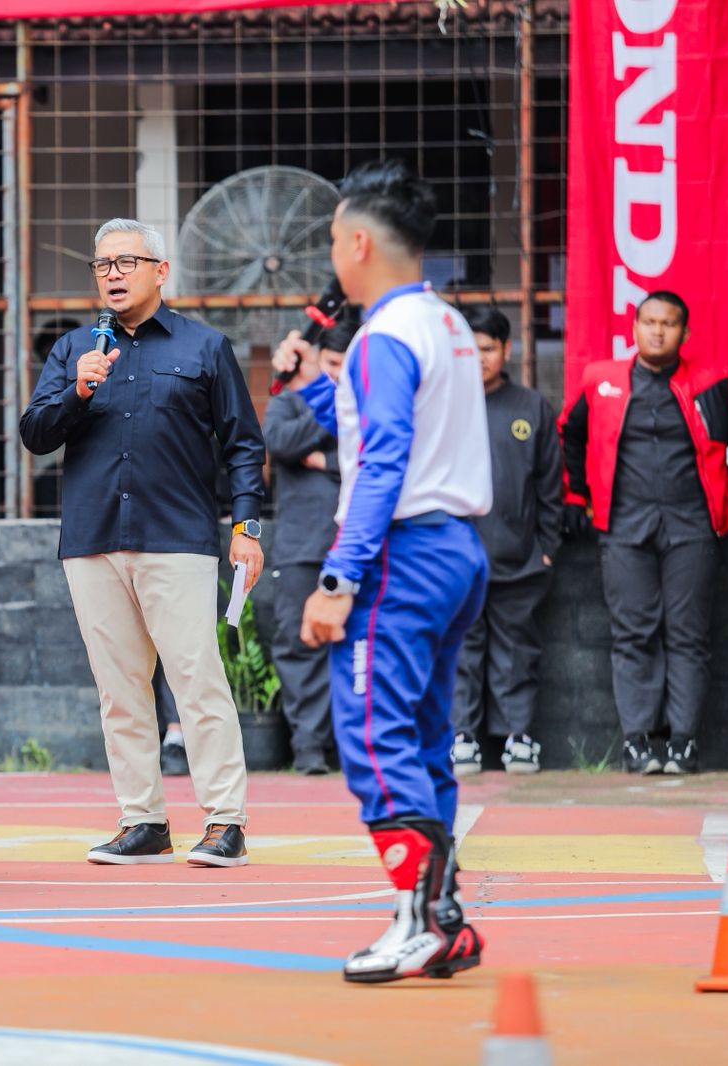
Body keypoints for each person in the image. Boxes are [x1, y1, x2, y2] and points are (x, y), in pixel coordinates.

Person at [274, 159, 491, 983]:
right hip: (455, 549)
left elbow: (384, 460)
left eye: (334, 239)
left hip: (400, 555)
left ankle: (418, 920)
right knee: (424, 736)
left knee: (373, 734)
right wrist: (312, 388)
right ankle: (443, 917)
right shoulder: (445, 325)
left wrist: (337, 580)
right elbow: (379, 428)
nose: (332, 255)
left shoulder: (384, 336)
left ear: (358, 243)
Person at [20, 218, 266, 869]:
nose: (113, 274)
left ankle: (225, 820)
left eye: (126, 262)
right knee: (120, 690)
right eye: (103, 265)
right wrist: (78, 389)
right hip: (93, 540)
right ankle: (143, 821)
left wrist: (247, 528)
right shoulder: (76, 349)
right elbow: (35, 434)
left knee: (196, 680)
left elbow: (243, 445)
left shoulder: (205, 347)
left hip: (176, 537)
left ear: (161, 271)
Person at [561, 291, 728, 774]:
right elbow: (569, 435)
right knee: (633, 633)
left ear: (685, 332)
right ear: (634, 328)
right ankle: (638, 741)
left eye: (669, 323)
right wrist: (575, 496)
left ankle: (682, 741)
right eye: (650, 322)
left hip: (692, 526)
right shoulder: (601, 381)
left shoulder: (711, 383)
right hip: (623, 526)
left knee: (688, 635)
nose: (658, 331)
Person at [451, 306, 561, 777]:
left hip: (519, 557)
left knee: (517, 651)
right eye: (470, 348)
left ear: (507, 350)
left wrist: (548, 547)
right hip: (458, 557)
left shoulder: (530, 407)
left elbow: (551, 485)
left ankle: (518, 735)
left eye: (488, 348)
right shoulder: (444, 404)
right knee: (461, 649)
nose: (479, 357)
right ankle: (463, 736)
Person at [264, 313, 355, 775]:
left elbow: (370, 460)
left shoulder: (368, 403)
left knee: (358, 645)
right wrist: (330, 420)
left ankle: (350, 745)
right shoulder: (288, 400)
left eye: (346, 366)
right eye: (332, 364)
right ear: (317, 359)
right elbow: (279, 441)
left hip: (354, 544)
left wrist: (321, 459)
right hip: (301, 544)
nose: (338, 375)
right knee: (300, 645)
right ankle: (309, 746)